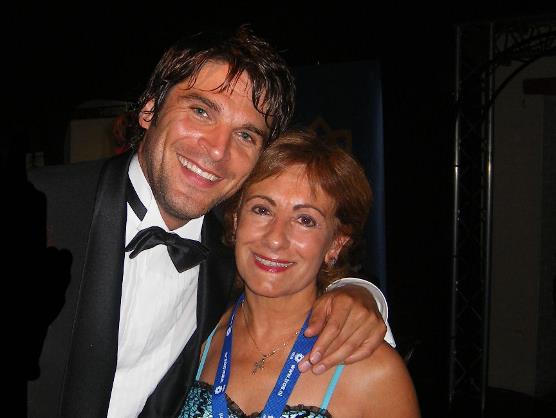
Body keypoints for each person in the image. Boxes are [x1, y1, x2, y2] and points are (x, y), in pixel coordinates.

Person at [27, 25, 393, 418]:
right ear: (149, 109)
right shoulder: (44, 203)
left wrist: (359, 293)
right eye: (201, 111)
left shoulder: (231, 256)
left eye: (246, 135)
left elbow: (300, 269)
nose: (217, 150)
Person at [178, 129, 419, 418]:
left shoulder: (375, 374)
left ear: (335, 244)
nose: (275, 239)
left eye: (305, 220)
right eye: (262, 210)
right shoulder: (193, 333)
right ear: (237, 219)